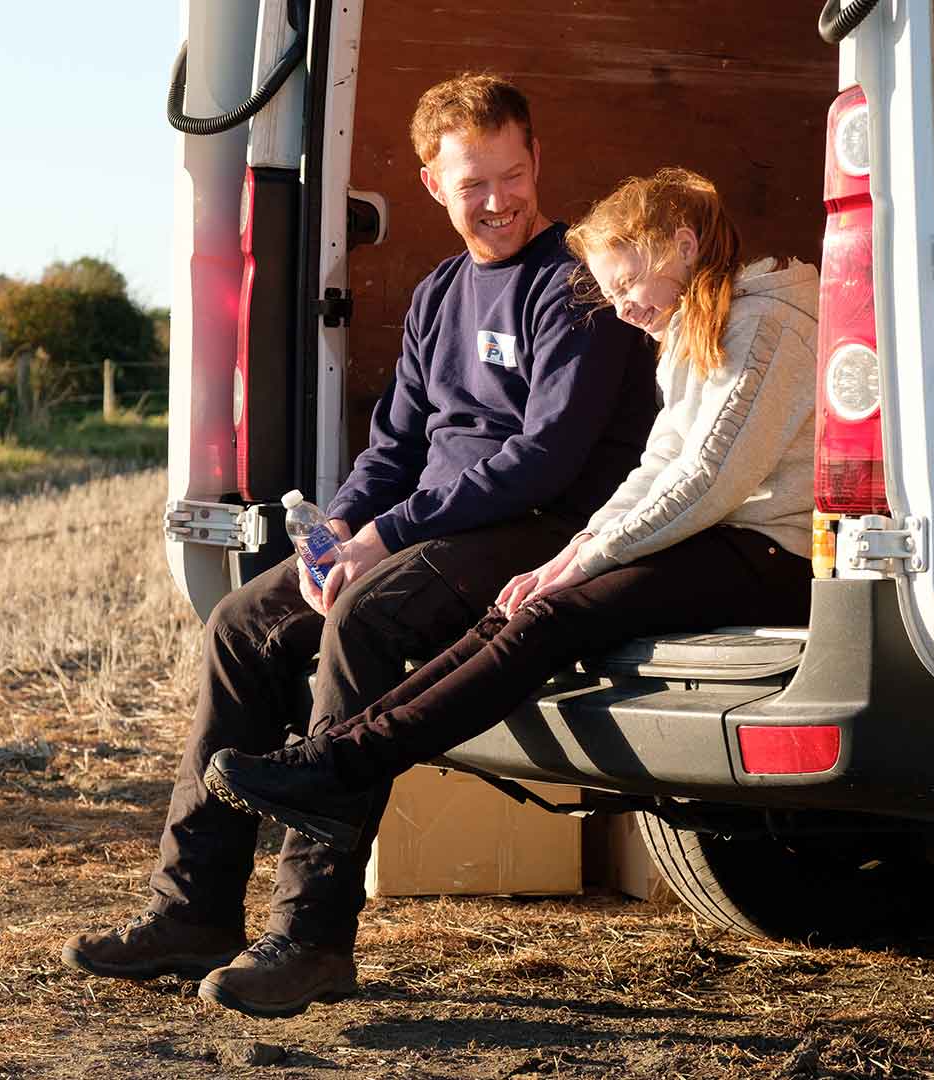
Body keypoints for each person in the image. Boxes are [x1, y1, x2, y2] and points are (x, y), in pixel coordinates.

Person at [60, 74, 657, 1019]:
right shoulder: (439, 295)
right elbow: (396, 445)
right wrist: (337, 528)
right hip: (435, 525)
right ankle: (194, 910)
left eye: (512, 175)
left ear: (537, 159)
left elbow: (545, 459)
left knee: (368, 621)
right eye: (474, 186)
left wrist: (387, 536)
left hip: (544, 529)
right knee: (240, 624)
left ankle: (310, 935)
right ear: (432, 184)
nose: (498, 201)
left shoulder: (576, 285)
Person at [202, 166, 820, 860]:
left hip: (774, 550)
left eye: (625, 286)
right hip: (720, 537)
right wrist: (570, 555)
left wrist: (582, 560)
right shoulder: (696, 327)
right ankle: (334, 760)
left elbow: (705, 482)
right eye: (610, 293)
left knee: (554, 615)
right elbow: (658, 465)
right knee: (519, 605)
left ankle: (338, 766)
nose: (621, 310)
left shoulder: (768, 326)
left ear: (680, 245)